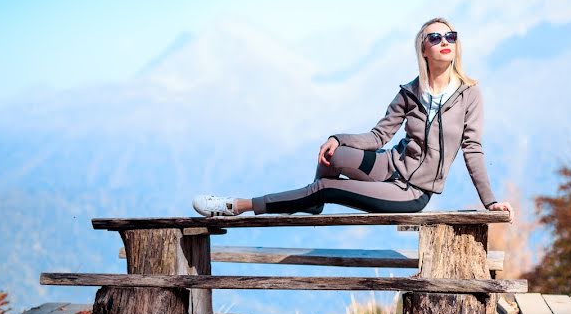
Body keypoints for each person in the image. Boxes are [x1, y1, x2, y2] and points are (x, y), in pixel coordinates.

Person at [192, 17, 513, 217]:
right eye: (435, 38)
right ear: (423, 50)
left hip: (411, 191)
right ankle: (312, 197)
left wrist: (490, 202)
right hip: (391, 164)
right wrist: (337, 138)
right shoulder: (410, 91)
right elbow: (378, 137)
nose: (445, 42)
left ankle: (238, 206)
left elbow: (473, 150)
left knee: (327, 188)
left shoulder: (469, 94)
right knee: (333, 155)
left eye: (450, 37)